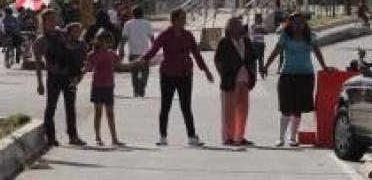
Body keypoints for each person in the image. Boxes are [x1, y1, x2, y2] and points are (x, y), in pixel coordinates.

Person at [140, 8, 214, 147]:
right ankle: (163, 136)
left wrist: (206, 71)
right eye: (182, 18)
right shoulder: (164, 35)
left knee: (186, 106)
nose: (184, 21)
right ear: (173, 20)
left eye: (184, 18)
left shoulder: (188, 35)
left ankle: (192, 136)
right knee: (165, 106)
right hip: (168, 74)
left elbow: (196, 54)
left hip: (185, 74)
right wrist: (143, 60)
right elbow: (154, 49)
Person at [262, 12, 332, 147]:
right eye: (295, 22)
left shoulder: (310, 36)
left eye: (301, 22)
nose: (298, 25)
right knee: (285, 107)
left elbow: (317, 52)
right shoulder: (285, 36)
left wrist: (324, 66)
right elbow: (276, 51)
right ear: (290, 23)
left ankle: (293, 138)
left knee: (298, 108)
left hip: (306, 75)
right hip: (287, 74)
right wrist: (266, 65)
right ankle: (281, 137)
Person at [33, 9, 85, 147]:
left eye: (54, 18)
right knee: (51, 107)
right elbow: (38, 64)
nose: (53, 21)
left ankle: (73, 136)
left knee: (71, 107)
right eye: (49, 19)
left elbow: (76, 50)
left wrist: (78, 74)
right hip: (54, 77)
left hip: (69, 76)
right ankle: (50, 137)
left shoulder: (63, 34)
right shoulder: (40, 41)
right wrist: (39, 83)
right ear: (43, 22)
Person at [215, 17, 258, 146]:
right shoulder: (224, 42)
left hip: (245, 80)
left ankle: (239, 136)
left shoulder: (246, 41)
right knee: (228, 110)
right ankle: (228, 137)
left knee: (243, 110)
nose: (235, 28)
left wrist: (253, 75)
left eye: (238, 25)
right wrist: (223, 75)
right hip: (230, 80)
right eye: (232, 25)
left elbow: (252, 58)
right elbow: (218, 61)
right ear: (228, 28)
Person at [85, 30, 124, 146]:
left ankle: (114, 138)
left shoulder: (113, 54)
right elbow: (87, 69)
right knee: (98, 113)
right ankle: (98, 137)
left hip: (109, 87)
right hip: (97, 86)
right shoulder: (92, 55)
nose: (105, 43)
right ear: (99, 41)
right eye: (103, 41)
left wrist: (136, 64)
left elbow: (120, 66)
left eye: (108, 41)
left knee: (110, 114)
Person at [120, 6, 154, 97]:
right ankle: (142, 85)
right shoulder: (147, 23)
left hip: (133, 53)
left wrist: (121, 49)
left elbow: (124, 39)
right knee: (145, 72)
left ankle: (136, 90)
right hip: (145, 53)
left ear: (133, 14)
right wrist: (154, 50)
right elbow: (152, 38)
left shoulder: (128, 24)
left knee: (134, 73)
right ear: (142, 14)